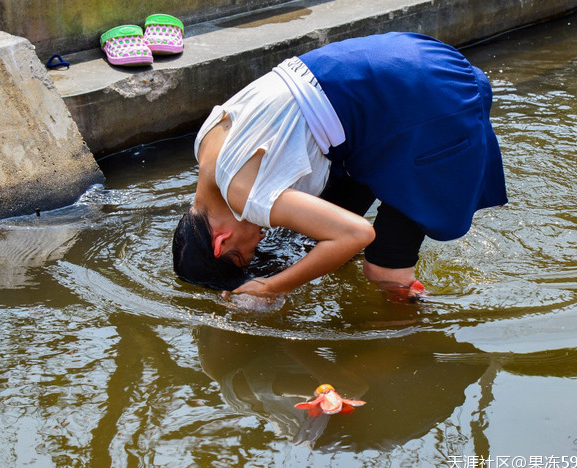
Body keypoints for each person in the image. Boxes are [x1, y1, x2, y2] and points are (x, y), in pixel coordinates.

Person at [172, 32, 507, 299]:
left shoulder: (245, 192)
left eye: (247, 253)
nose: (261, 239)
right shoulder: (206, 145)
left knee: (384, 271)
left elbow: (358, 234)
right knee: (313, 238)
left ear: (220, 242)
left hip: (428, 100)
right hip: (394, 64)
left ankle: (411, 335)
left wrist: (273, 287)